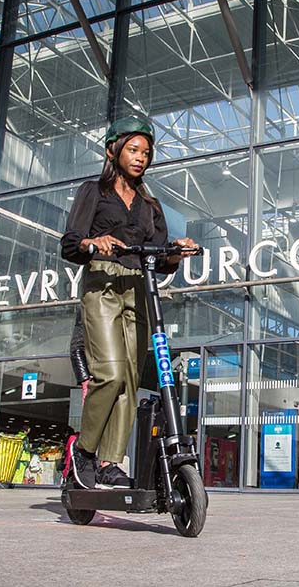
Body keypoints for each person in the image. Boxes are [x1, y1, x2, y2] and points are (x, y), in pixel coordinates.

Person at [61, 115, 198, 489]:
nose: (140, 157)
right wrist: (94, 243)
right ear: (113, 150)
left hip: (139, 285)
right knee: (110, 373)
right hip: (102, 284)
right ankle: (84, 451)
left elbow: (162, 259)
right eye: (133, 150)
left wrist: (177, 252)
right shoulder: (94, 191)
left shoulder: (150, 205)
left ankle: (109, 461)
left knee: (131, 381)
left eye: (146, 152)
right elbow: (70, 243)